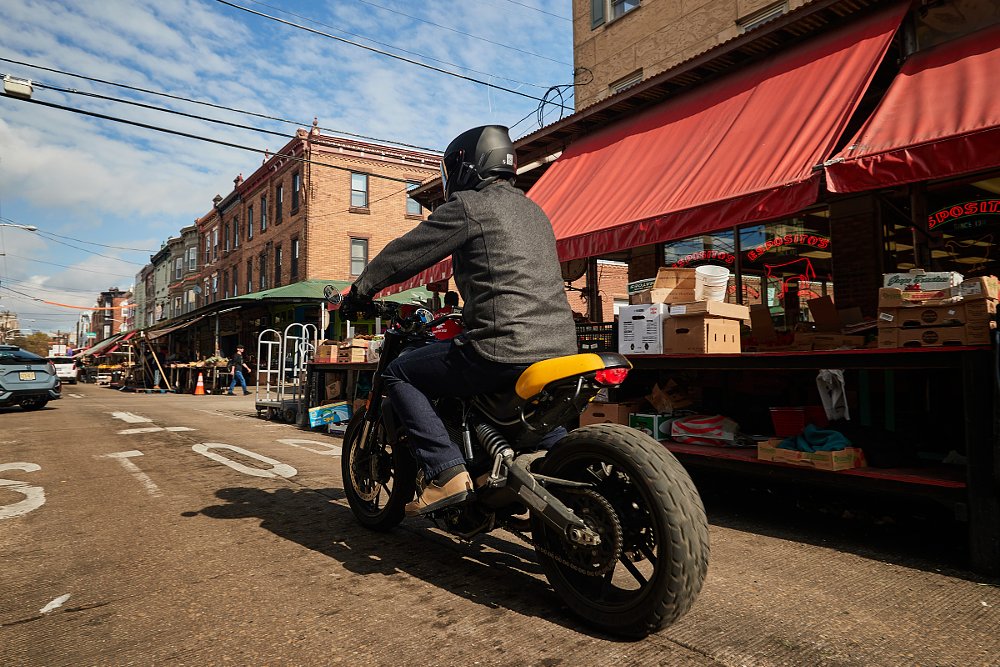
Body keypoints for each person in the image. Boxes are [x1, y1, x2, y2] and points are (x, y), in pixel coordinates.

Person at [342, 125, 577, 516]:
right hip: (559, 347)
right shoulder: (534, 210)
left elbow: (407, 253)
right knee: (530, 414)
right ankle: (519, 464)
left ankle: (445, 472)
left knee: (401, 373)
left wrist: (361, 290)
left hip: (504, 346)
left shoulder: (471, 204)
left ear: (465, 166)